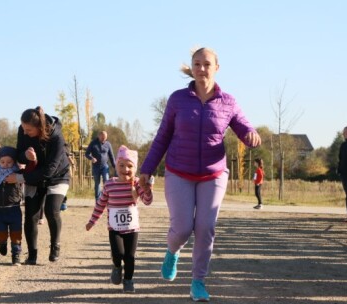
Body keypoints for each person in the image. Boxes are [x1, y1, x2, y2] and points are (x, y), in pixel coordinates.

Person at [139, 47, 261, 302]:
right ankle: (172, 251)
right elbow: (162, 137)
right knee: (182, 229)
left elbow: (244, 127)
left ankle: (198, 282)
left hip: (213, 173)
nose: (202, 68)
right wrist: (146, 170)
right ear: (191, 68)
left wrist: (251, 136)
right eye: (197, 64)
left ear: (217, 67)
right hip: (178, 171)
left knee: (205, 227)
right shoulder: (177, 99)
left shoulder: (228, 101)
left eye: (207, 64)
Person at [7, 106, 70, 265]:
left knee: (51, 209)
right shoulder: (23, 131)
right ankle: (32, 254)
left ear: (40, 127)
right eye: (23, 128)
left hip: (57, 176)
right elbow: (19, 156)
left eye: (28, 129)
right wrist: (25, 156)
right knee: (31, 215)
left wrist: (20, 178)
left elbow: (50, 170)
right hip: (34, 174)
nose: (25, 132)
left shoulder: (56, 137)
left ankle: (55, 245)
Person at [86, 145, 153, 293]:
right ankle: (116, 266)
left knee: (130, 256)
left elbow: (147, 201)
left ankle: (128, 280)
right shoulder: (109, 184)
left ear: (135, 168)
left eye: (130, 166)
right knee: (118, 254)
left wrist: (147, 190)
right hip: (115, 228)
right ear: (116, 166)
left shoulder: (137, 183)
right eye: (121, 165)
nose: (125, 169)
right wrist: (92, 221)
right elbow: (101, 204)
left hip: (132, 228)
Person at [0, 146, 34, 265]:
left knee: (16, 234)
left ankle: (16, 256)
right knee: (1, 233)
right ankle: (2, 242)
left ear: (14, 162)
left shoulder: (17, 173)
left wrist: (32, 159)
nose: (6, 164)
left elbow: (30, 170)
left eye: (9, 162)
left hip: (14, 209)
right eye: (3, 162)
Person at [85, 131, 116, 202]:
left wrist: (115, 167)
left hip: (105, 166)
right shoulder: (93, 143)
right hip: (96, 167)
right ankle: (98, 200)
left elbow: (111, 156)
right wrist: (91, 158)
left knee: (106, 181)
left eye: (105, 138)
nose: (103, 140)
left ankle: (107, 198)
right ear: (99, 136)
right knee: (97, 183)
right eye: (102, 138)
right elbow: (87, 153)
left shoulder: (108, 144)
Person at [60, 143, 75, 211]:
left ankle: (63, 203)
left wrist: (73, 165)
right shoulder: (64, 148)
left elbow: (69, 158)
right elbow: (69, 158)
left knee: (63, 188)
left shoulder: (63, 148)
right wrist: (73, 165)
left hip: (64, 171)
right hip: (63, 171)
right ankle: (62, 203)